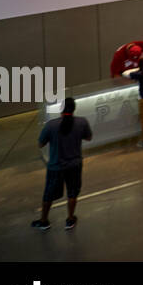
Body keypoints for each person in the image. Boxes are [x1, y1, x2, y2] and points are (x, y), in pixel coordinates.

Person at [34, 97, 92, 231]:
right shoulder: (82, 122)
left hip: (55, 166)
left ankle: (44, 221)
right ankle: (70, 219)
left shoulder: (51, 125)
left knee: (48, 194)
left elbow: (40, 143)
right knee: (72, 192)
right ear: (74, 109)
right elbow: (88, 137)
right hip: (75, 165)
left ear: (61, 109)